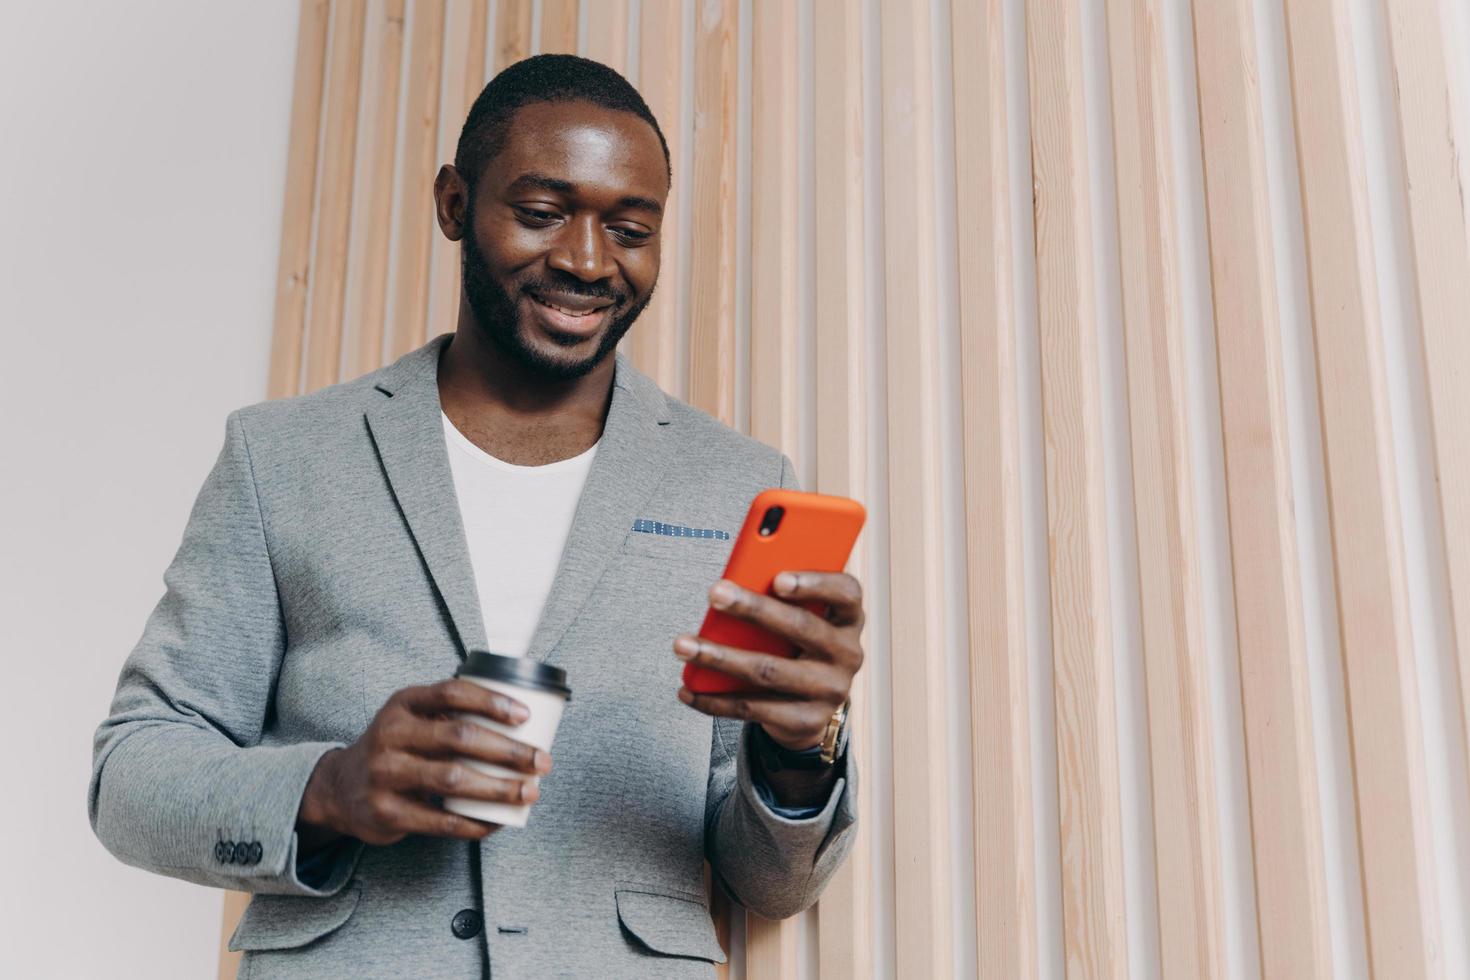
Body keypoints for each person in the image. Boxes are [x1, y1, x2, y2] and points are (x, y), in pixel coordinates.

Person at [89, 54, 863, 978]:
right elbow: (131, 775)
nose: (585, 260)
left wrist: (795, 755)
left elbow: (769, 885)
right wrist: (329, 788)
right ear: (455, 204)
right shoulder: (281, 459)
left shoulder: (734, 483)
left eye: (630, 228)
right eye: (541, 213)